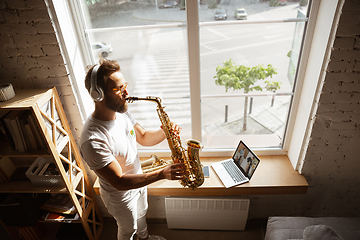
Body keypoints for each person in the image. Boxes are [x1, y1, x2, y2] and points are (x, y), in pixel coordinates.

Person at [79, 59, 186, 240]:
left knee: (141, 216)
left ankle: (145, 239)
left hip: (139, 182)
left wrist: (166, 132)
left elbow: (143, 136)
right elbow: (119, 182)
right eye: (118, 89)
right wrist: (161, 174)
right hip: (120, 196)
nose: (126, 93)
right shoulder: (93, 140)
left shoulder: (121, 112)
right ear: (98, 94)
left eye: (125, 85)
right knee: (128, 229)